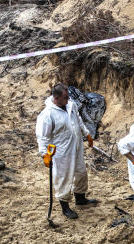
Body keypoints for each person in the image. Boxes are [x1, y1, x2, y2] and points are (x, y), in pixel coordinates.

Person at [36, 83, 98, 219]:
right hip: (61, 152)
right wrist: (44, 154)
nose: (68, 99)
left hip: (76, 146)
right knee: (63, 178)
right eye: (65, 97)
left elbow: (78, 120)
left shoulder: (71, 105)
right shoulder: (47, 115)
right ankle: (65, 207)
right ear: (56, 98)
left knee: (81, 172)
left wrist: (86, 133)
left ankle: (80, 198)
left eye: (68, 96)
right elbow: (43, 137)